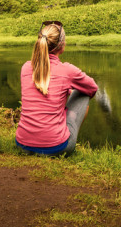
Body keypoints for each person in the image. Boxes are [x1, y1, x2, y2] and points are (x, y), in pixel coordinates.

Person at [15, 20, 98, 156]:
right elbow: (92, 88)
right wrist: (71, 92)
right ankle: (66, 135)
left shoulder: (25, 67)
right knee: (83, 93)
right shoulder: (67, 70)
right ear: (62, 45)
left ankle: (46, 134)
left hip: (22, 144)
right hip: (57, 147)